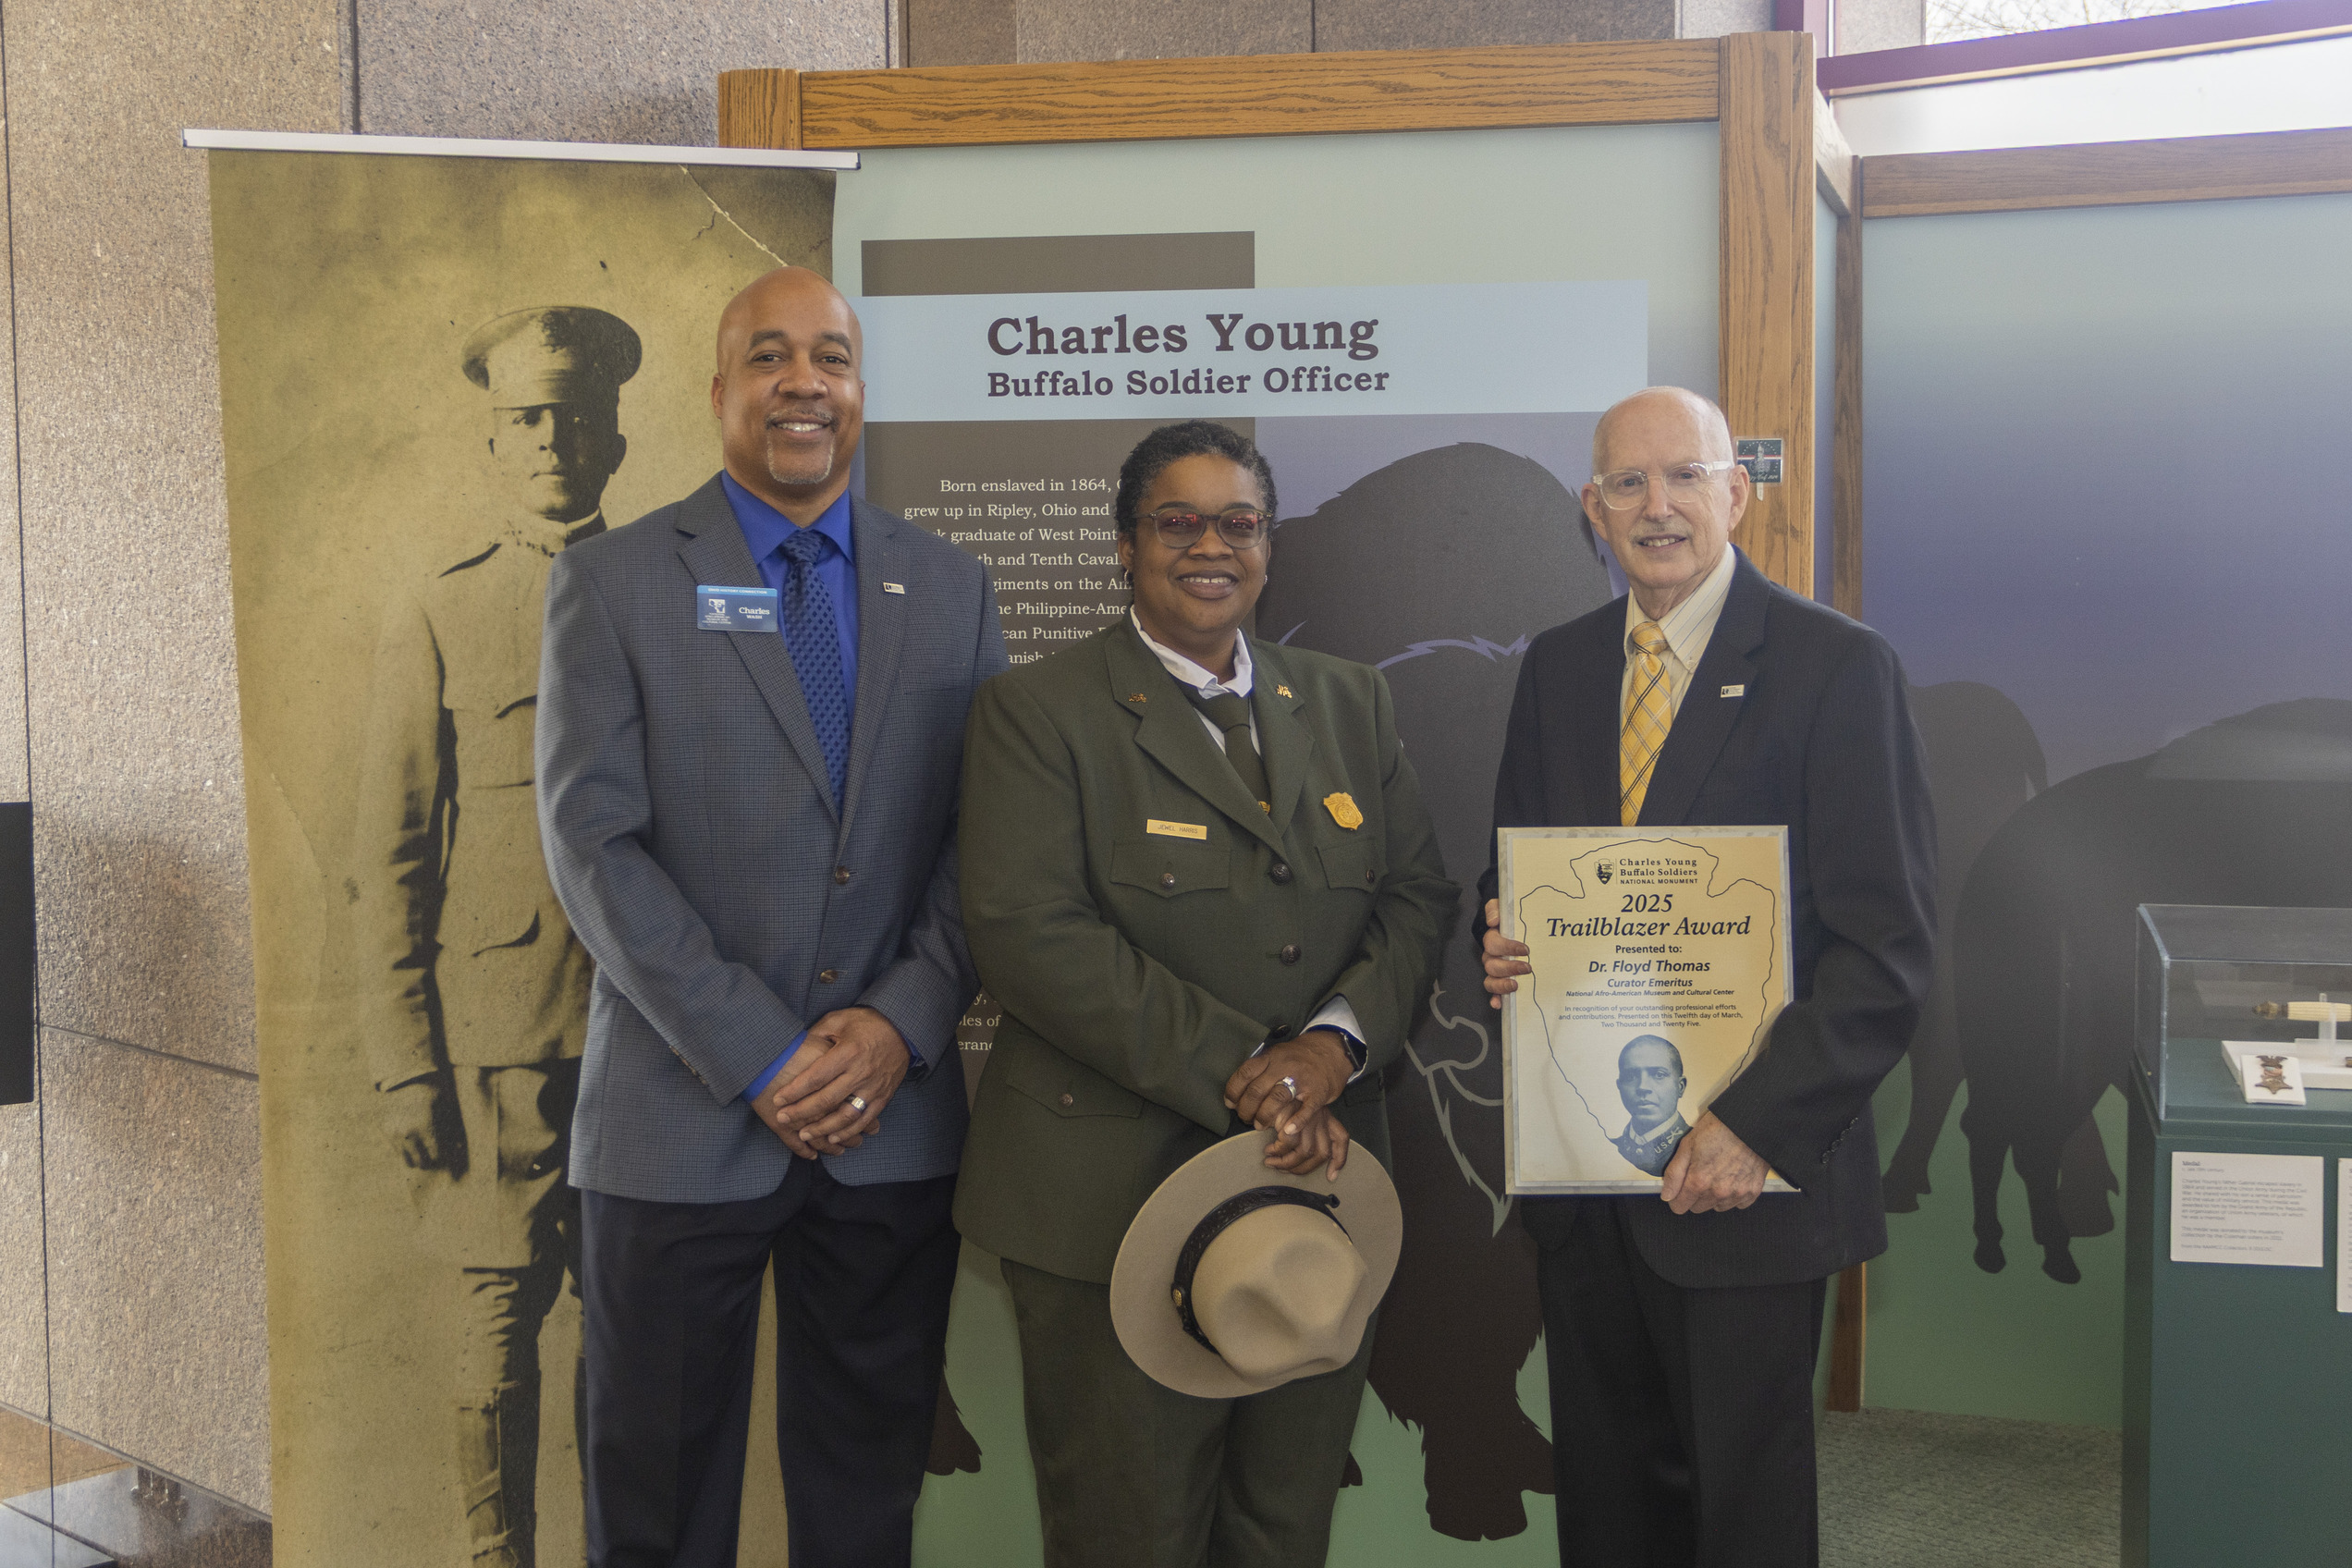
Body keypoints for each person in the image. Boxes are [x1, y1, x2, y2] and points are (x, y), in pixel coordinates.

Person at [534, 266, 1007, 1568]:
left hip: (888, 1121)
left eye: (833, 359)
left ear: (860, 391)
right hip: (679, 1121)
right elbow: (594, 847)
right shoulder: (615, 581)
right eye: (770, 356)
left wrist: (898, 1029)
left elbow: (989, 845)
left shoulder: (952, 590)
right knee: (656, 1508)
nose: (805, 382)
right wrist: (764, 1052)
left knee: (866, 1501)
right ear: (720, 392)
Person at [953, 420, 1457, 1568]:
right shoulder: (1038, 711)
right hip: (1108, 1200)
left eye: (1238, 523)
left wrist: (1328, 1052)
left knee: (1282, 1531)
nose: (1210, 547)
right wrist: (1255, 1069)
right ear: (1125, 544)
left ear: (1269, 547)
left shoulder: (1349, 703)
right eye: (1177, 522)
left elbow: (1419, 898)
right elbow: (1030, 935)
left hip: (1315, 1188)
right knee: (1128, 1536)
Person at [1479, 386, 1934, 1566]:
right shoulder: (1559, 669)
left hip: (1748, 1183)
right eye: (1627, 484)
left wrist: (1752, 1127)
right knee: (1610, 1505)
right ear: (1594, 510)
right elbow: (1517, 877)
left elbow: (1887, 953)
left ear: (1738, 492)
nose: (1658, 506)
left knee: (1743, 1515)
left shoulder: (1838, 668)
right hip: (1588, 1187)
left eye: (1686, 476)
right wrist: (1498, 943)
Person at [353, 303, 638, 1568]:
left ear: (616, 440)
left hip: (645, 1054)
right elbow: (390, 856)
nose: (551, 442)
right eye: (525, 419)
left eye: (575, 419)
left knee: (633, 1356)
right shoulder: (441, 609)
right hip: (490, 1062)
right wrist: (403, 1060)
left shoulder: (675, 599)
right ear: (489, 441)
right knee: (490, 1363)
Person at [1610, 1035, 1691, 1179]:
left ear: (1680, 1087)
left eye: (1658, 1075)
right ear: (1619, 1086)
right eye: (1630, 1076)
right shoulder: (1609, 1150)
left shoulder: (1701, 1148)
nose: (1643, 1087)